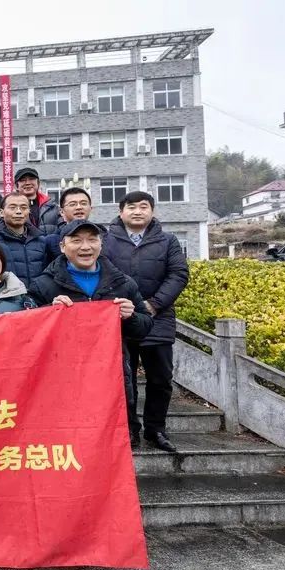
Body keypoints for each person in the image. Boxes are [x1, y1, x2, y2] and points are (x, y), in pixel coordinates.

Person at [28, 220, 154, 447]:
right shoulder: (43, 285)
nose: (85, 247)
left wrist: (131, 316)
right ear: (62, 246)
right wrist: (49, 312)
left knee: (111, 445)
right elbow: (29, 330)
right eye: (76, 241)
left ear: (101, 244)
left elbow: (145, 327)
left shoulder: (122, 283)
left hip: (110, 375)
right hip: (62, 377)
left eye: (92, 240)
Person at [103, 191, 190, 453]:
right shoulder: (106, 240)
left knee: (160, 378)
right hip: (120, 319)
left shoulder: (168, 240)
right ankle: (129, 429)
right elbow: (102, 273)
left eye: (144, 207)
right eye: (131, 207)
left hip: (158, 318)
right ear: (121, 212)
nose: (138, 211)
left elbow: (178, 274)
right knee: (123, 379)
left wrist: (153, 304)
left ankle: (156, 429)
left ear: (152, 211)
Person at [0, 192, 48, 289]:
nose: (19, 211)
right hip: (6, 295)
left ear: (29, 211)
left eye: (23, 207)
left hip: (37, 295)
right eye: (12, 207)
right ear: (2, 213)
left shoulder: (40, 240)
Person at [45, 187, 94, 260]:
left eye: (83, 203)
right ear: (61, 212)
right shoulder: (50, 241)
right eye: (72, 204)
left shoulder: (103, 236)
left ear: (90, 209)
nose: (79, 207)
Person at [14, 167, 61, 235]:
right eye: (23, 180)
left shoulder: (52, 206)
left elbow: (63, 227)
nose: (27, 183)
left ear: (38, 183)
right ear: (16, 186)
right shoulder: (10, 208)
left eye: (31, 179)